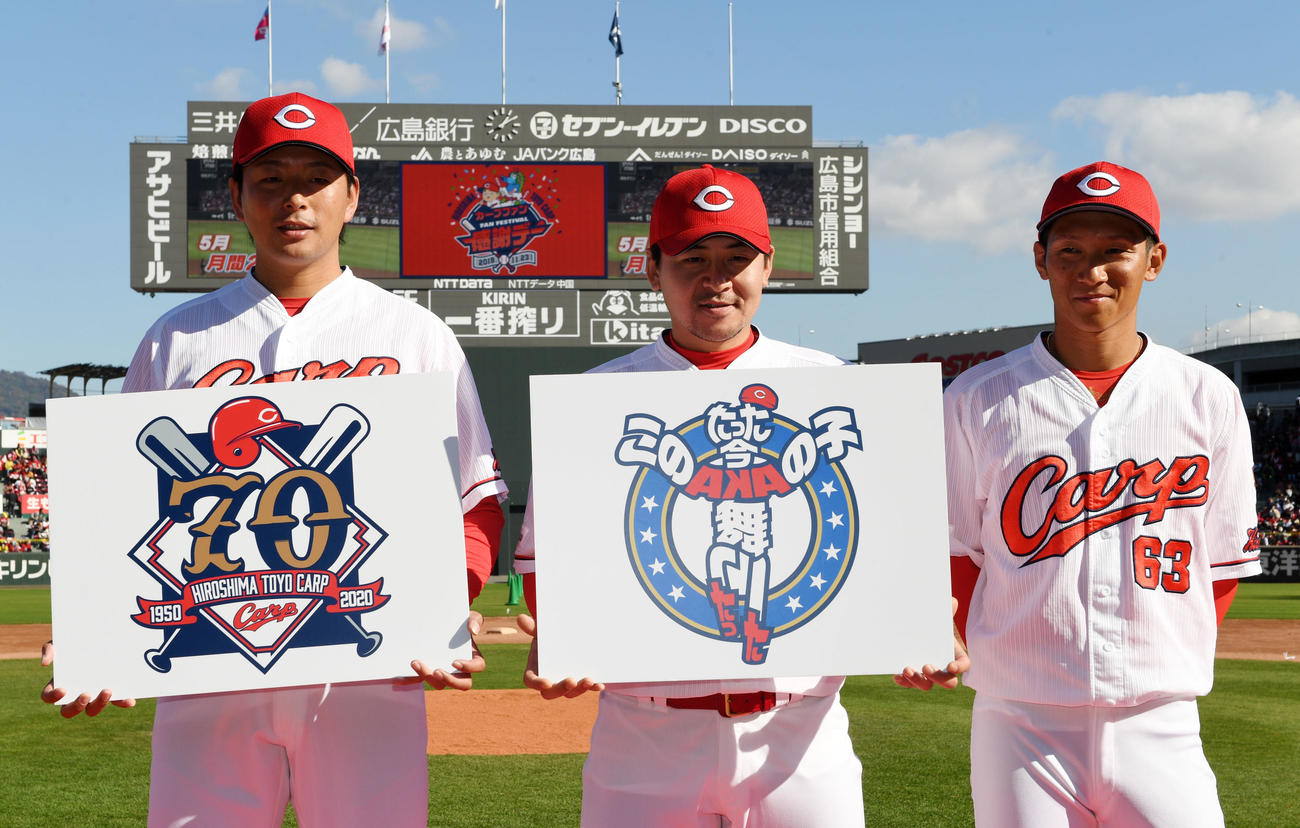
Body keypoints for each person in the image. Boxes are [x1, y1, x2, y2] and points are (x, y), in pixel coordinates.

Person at [40, 92, 507, 826]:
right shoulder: (175, 339)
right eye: (271, 179)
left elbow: (474, 499)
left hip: (368, 668)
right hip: (207, 668)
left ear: (352, 196)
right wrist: (98, 634)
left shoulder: (415, 335)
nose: (295, 199)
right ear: (237, 197)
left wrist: (447, 603)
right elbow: (117, 506)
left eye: (317, 179)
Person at [895, 161, 1261, 827]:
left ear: (1154, 260)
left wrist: (1158, 651)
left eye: (1115, 249)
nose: (1092, 270)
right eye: (1070, 251)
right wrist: (970, 641)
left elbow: (1222, 567)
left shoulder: (1207, 396)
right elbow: (955, 551)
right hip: (1019, 721)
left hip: (1162, 719)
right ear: (1041, 260)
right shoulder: (976, 398)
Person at [514, 165, 865, 827]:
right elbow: (542, 562)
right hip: (644, 734)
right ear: (653, 269)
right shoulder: (593, 400)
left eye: (737, 259)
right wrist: (563, 635)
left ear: (768, 267)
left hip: (800, 733)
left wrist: (921, 618)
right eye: (693, 259)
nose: (716, 279)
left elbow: (888, 545)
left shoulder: (836, 384)